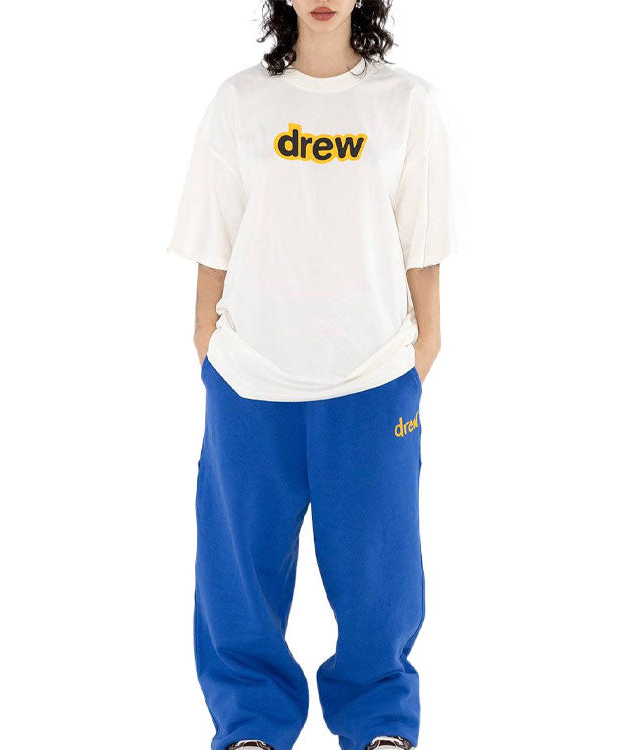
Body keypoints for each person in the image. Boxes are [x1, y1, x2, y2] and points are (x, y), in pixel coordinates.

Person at [167, 2, 454, 749]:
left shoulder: (406, 103)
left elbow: (422, 245)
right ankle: (252, 725)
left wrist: (419, 355)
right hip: (251, 381)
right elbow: (213, 238)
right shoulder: (241, 101)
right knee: (239, 571)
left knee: (380, 572)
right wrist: (209, 347)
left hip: (371, 379)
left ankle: (380, 723)